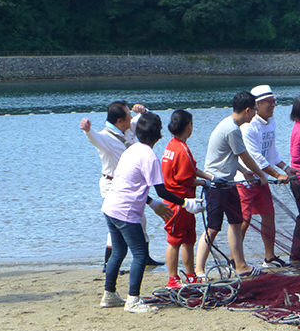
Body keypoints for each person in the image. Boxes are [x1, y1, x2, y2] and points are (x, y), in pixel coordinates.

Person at [101, 112, 203, 313]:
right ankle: (133, 300)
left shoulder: (130, 150)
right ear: (158, 135)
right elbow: (163, 190)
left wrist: (151, 203)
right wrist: (185, 203)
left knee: (119, 252)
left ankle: (109, 294)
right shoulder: (149, 156)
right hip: (125, 212)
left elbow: (129, 182)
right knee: (140, 254)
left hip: (110, 207)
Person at [81, 100, 166, 269]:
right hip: (111, 184)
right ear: (119, 120)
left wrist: (144, 110)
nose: (132, 118)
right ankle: (108, 262)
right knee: (121, 222)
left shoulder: (127, 129)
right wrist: (87, 130)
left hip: (129, 183)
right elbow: (94, 137)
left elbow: (146, 123)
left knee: (140, 219)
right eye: (129, 116)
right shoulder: (105, 137)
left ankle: (145, 258)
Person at [195, 91, 268, 279]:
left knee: (236, 223)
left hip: (228, 184)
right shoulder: (232, 129)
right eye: (254, 110)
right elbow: (244, 155)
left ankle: (241, 265)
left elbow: (231, 156)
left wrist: (244, 172)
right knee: (213, 228)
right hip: (217, 186)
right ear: (247, 110)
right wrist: (261, 175)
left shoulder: (230, 124)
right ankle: (199, 270)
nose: (255, 114)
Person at [236, 85, 292, 268]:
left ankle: (269, 258)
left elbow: (271, 151)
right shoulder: (248, 126)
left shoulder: (271, 122)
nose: (273, 104)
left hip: (261, 178)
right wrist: (276, 174)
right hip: (244, 179)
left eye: (274, 101)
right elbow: (255, 157)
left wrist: (286, 168)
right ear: (257, 105)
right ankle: (235, 259)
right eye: (269, 101)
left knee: (269, 215)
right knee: (244, 220)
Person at [160, 110, 212, 289]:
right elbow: (186, 178)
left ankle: (191, 276)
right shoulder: (181, 149)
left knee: (189, 238)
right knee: (174, 240)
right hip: (178, 202)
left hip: (187, 202)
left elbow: (192, 169)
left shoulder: (173, 144)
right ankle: (172, 278)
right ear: (188, 125)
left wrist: (208, 178)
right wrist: (204, 182)